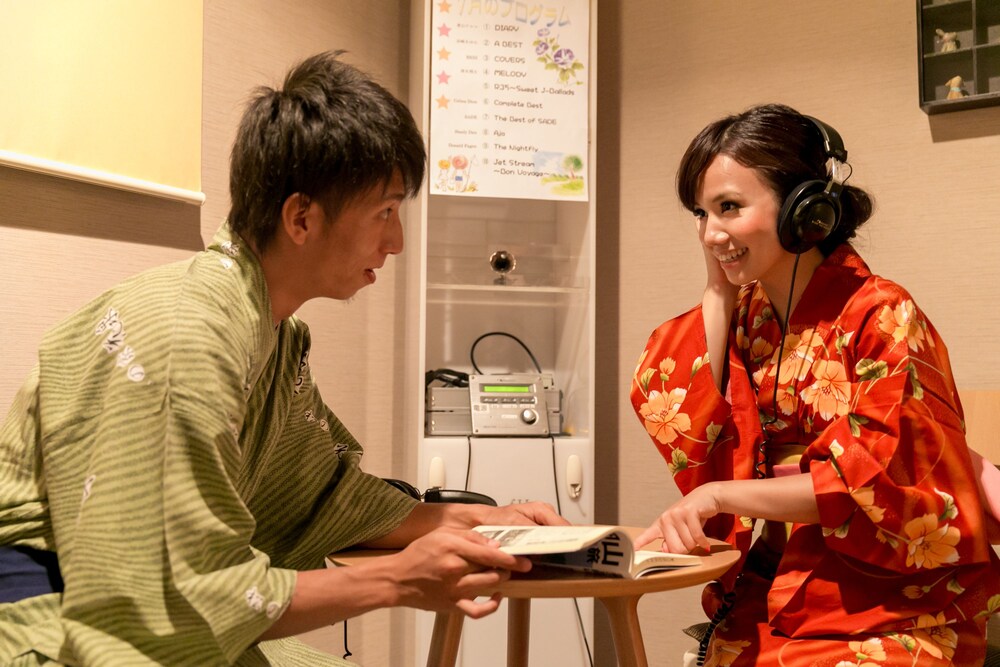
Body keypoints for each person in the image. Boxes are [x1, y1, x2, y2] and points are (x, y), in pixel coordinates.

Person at [0, 51, 565, 666]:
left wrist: (472, 519)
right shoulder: (189, 334)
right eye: (384, 212)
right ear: (302, 217)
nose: (397, 241)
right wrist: (397, 580)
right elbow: (167, 593)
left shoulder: (273, 334)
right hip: (57, 629)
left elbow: (319, 494)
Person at [630, 104, 1000, 665]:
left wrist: (720, 495)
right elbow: (683, 408)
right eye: (701, 215)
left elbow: (867, 481)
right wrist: (717, 291)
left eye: (729, 207)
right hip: (772, 589)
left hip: (888, 600)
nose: (711, 233)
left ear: (807, 209)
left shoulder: (883, 314)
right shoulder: (747, 316)